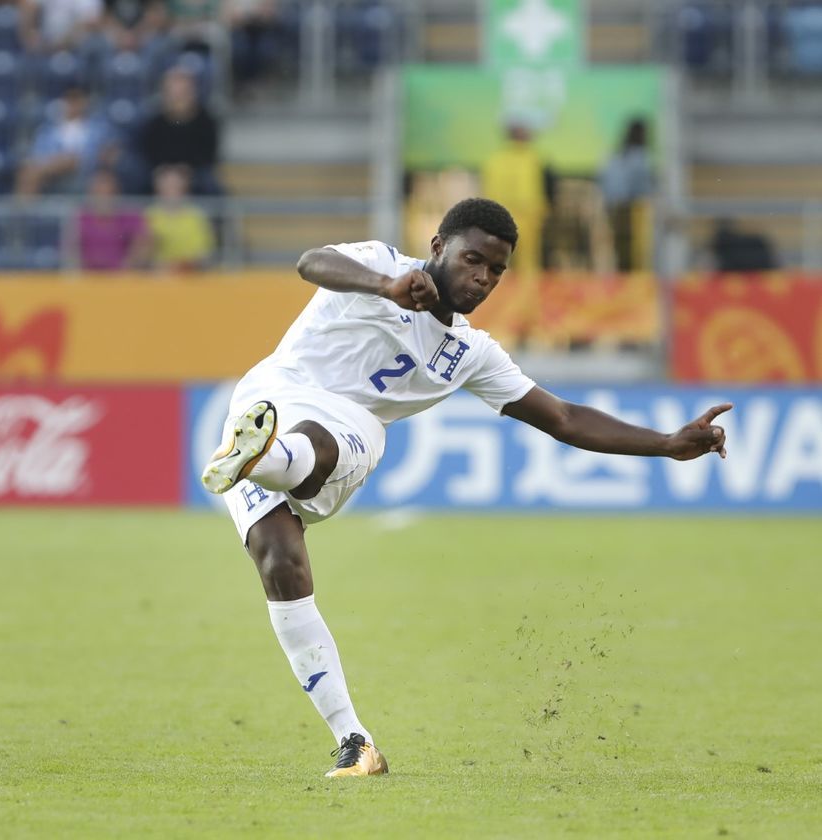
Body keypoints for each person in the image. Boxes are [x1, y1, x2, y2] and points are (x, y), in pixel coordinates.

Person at [199, 198, 732, 778]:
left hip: (334, 428)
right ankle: (354, 740)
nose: (482, 278)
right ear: (437, 247)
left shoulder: (471, 353)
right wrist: (386, 285)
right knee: (286, 539)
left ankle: (260, 458)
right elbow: (310, 262)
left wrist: (666, 443)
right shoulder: (378, 261)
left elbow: (565, 417)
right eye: (472, 259)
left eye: (496, 271)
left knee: (299, 503)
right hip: (270, 396)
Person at [15, 86, 117, 197]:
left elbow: (108, 151)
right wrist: (58, 161)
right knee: (28, 172)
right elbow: (38, 154)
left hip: (86, 171)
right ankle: (24, 212)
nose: (73, 104)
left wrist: (76, 160)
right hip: (51, 172)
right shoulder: (48, 129)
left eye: (77, 99)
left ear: (85, 102)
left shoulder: (99, 127)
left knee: (103, 181)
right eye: (69, 99)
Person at [139, 66, 221, 195]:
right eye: (174, 93)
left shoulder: (206, 121)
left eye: (183, 93)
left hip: (194, 173)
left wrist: (186, 171)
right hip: (161, 172)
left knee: (210, 183)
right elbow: (148, 152)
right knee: (137, 179)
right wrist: (165, 170)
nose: (178, 98)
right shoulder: (154, 122)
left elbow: (209, 155)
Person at [480, 124, 547, 275]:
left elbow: (489, 190)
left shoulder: (494, 160)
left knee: (497, 260)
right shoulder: (534, 159)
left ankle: (499, 295)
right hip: (527, 216)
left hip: (500, 217)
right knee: (528, 262)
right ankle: (529, 295)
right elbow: (537, 189)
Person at [600, 118, 654, 272]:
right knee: (637, 255)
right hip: (633, 210)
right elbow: (642, 189)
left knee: (620, 252)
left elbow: (605, 183)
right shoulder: (640, 157)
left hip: (613, 209)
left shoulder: (614, 156)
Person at [144, 163, 213, 272]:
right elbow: (144, 256)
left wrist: (179, 266)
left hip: (190, 275)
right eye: (167, 185)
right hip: (157, 277)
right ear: (158, 188)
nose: (172, 189)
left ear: (184, 187)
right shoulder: (149, 215)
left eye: (176, 185)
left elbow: (204, 254)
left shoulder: (196, 215)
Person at [76, 168, 149, 270]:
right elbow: (71, 250)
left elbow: (143, 245)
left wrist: (126, 268)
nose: (103, 198)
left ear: (117, 193)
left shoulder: (130, 215)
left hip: (122, 278)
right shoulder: (80, 217)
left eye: (108, 193)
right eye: (98, 193)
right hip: (88, 278)